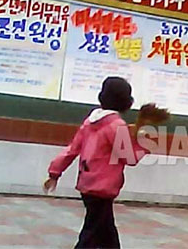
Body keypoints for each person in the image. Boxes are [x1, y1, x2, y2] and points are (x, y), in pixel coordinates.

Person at [43, 76, 146, 249]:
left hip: (87, 183)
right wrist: (143, 143)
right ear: (126, 102)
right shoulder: (116, 125)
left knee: (106, 230)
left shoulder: (90, 122)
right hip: (103, 187)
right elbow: (130, 157)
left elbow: (71, 149)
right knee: (92, 232)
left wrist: (54, 173)